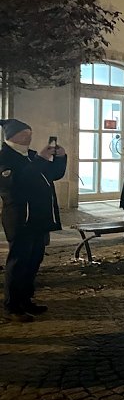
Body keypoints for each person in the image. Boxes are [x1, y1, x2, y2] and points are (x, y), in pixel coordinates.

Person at [0, 119, 67, 322]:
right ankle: (12, 306)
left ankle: (26, 300)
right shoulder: (4, 157)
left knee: (34, 260)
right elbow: (16, 183)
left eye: (30, 133)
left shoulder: (30, 155)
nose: (29, 137)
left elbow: (53, 174)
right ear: (12, 136)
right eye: (24, 134)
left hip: (38, 218)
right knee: (18, 262)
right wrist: (40, 160)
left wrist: (60, 158)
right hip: (20, 219)